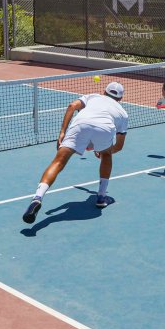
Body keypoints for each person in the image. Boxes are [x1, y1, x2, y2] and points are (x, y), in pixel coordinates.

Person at [23, 81, 129, 223]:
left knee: (58, 162)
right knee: (106, 155)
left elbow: (72, 106)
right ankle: (101, 197)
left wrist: (62, 132)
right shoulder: (123, 114)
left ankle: (37, 198)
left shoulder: (93, 97)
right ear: (120, 98)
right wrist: (104, 150)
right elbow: (119, 146)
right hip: (105, 128)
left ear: (104, 92)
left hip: (81, 123)